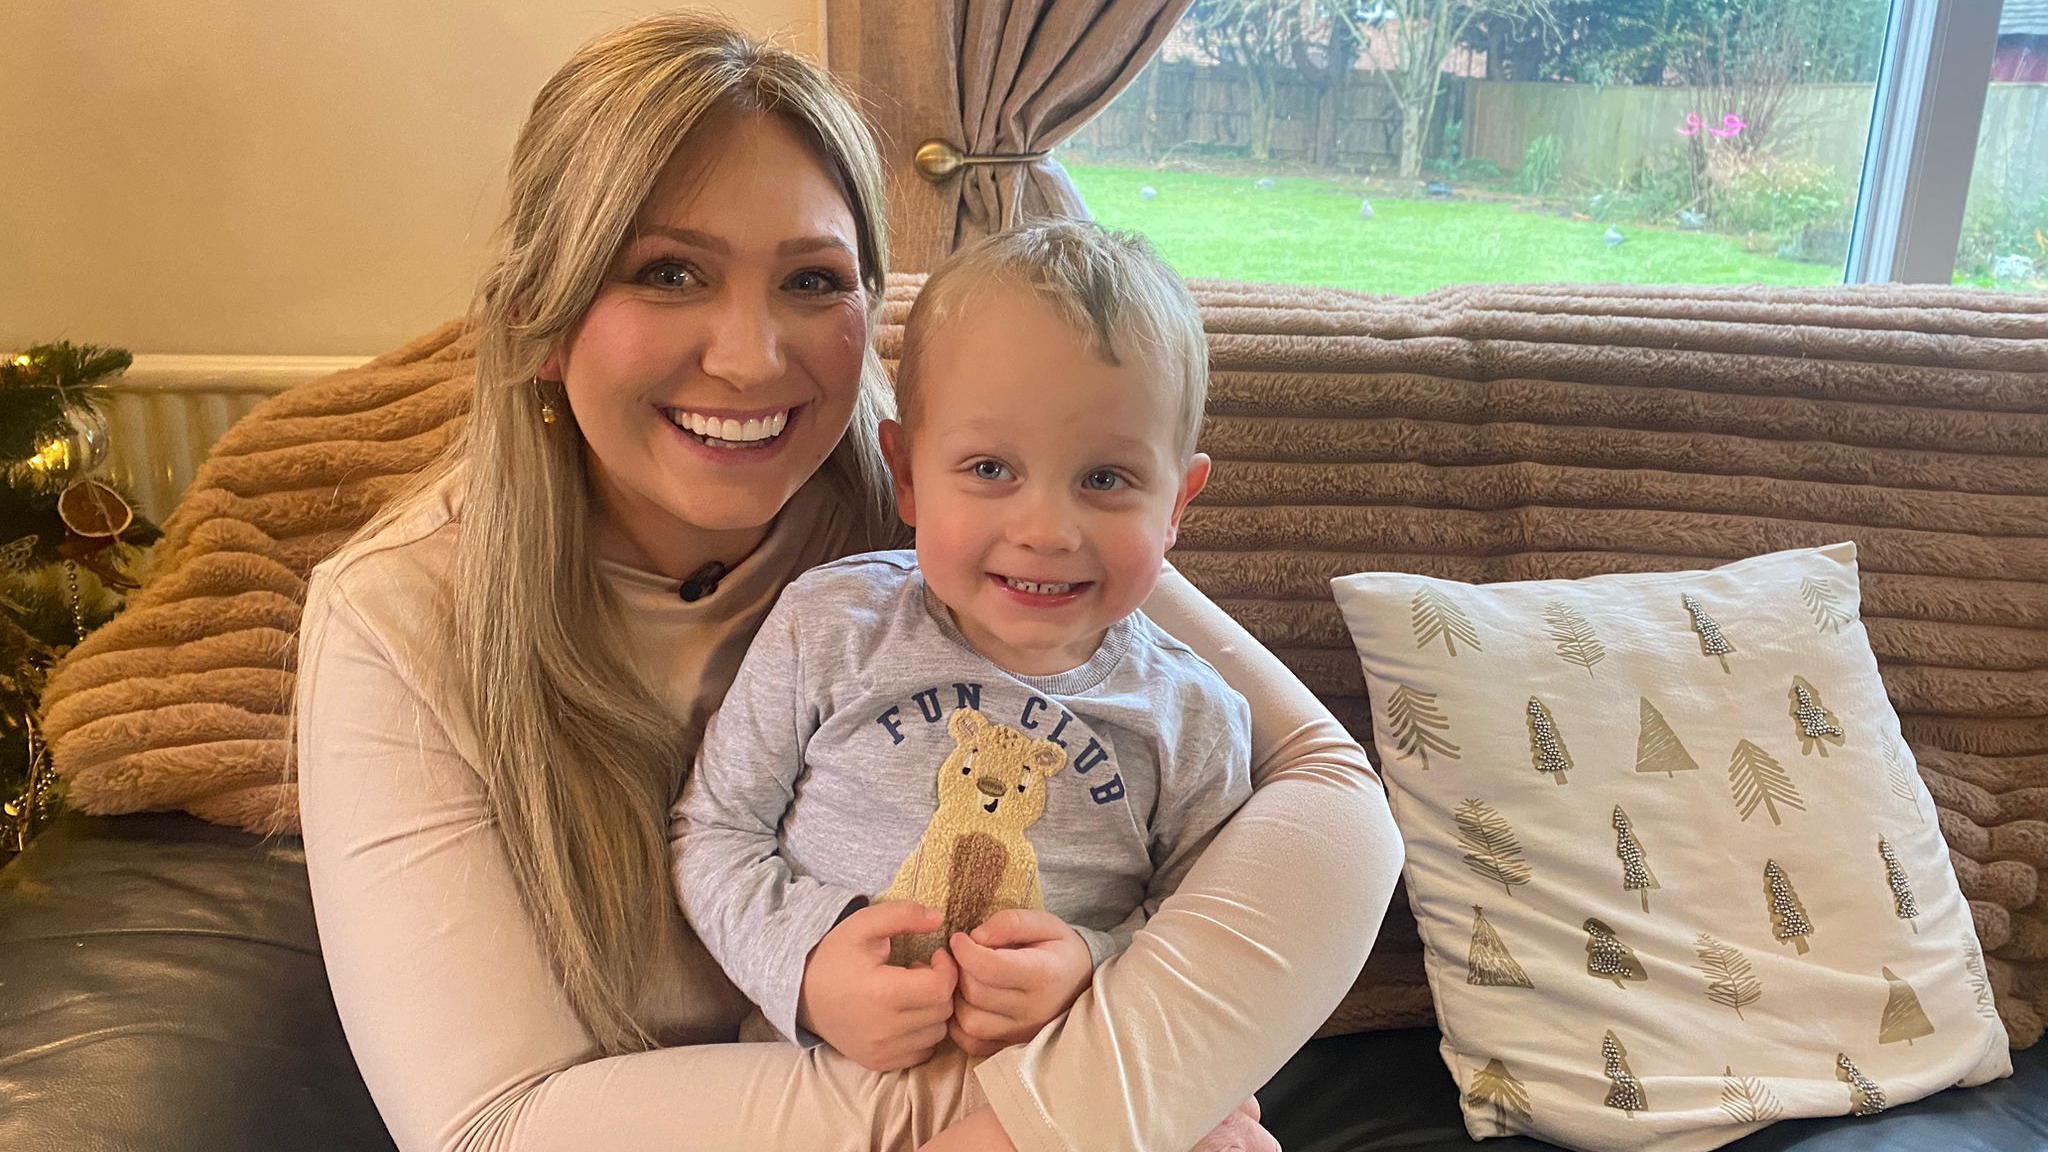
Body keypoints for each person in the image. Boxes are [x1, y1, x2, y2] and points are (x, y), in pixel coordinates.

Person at [293, 11, 1402, 1152]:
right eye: (667, 272)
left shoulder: (952, 496)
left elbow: (1329, 803)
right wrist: (1105, 1105)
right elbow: (489, 1130)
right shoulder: (397, 620)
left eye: (812, 279)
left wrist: (1117, 1034)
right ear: (540, 312)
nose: (750, 355)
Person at [675, 219, 1253, 1072]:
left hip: (1054, 1105)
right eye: (990, 469)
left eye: (1105, 479)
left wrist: (1092, 967)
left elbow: (1210, 932)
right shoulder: (830, 624)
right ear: (906, 474)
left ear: (1177, 507)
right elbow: (714, 832)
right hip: (814, 1093)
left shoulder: (1192, 714)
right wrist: (806, 972)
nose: (1047, 531)